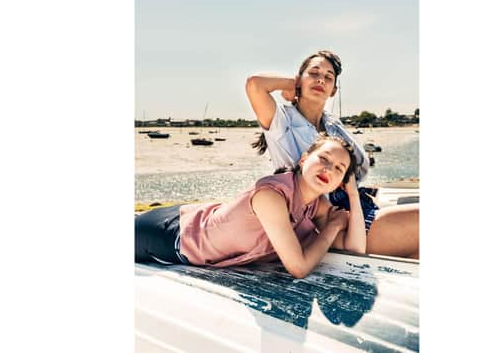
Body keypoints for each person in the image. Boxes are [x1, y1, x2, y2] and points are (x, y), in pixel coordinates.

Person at [245, 50, 419, 258]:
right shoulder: (282, 122)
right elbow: (255, 84)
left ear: (333, 90)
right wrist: (292, 85)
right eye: (314, 73)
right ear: (300, 78)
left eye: (328, 77)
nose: (320, 79)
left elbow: (360, 167)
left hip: (356, 207)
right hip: (325, 221)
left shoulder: (332, 124)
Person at [135, 135, 366, 279]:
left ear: (342, 181)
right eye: (324, 159)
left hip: (196, 218)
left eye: (339, 169)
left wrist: (353, 195)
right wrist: (331, 228)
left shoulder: (316, 205)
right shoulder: (271, 196)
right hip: (168, 235)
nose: (328, 169)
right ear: (304, 160)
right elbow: (299, 268)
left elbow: (354, 250)